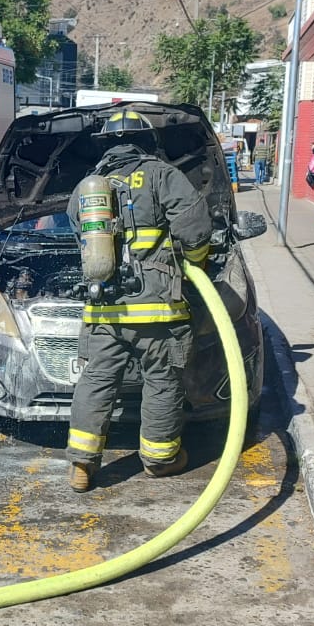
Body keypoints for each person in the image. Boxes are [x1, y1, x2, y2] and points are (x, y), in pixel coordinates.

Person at [65, 109, 211, 492]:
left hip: (103, 310)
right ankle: (160, 459)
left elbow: (78, 235)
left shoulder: (88, 187)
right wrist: (193, 268)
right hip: (158, 311)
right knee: (162, 381)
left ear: (105, 146)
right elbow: (195, 230)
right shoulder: (163, 175)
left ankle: (82, 463)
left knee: (96, 381)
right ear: (147, 143)